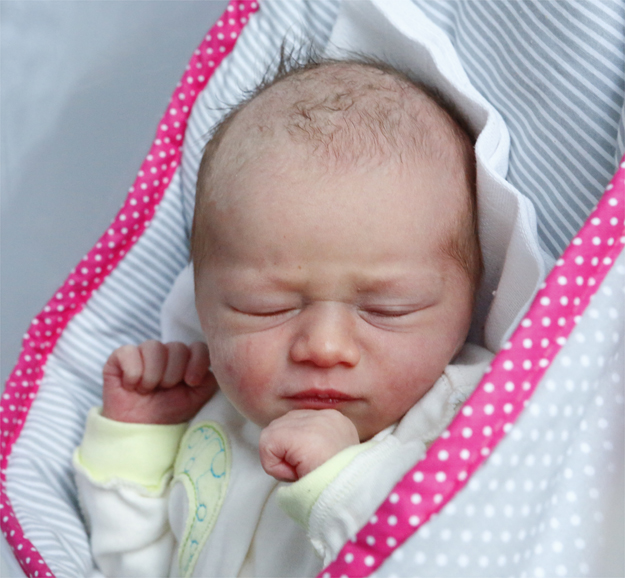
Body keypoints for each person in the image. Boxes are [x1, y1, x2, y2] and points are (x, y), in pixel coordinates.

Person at [73, 56, 493, 578]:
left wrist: (340, 483)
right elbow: (137, 567)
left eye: (388, 309)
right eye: (265, 306)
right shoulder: (218, 417)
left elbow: (481, 559)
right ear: (200, 301)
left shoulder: (467, 419)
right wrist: (137, 442)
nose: (324, 347)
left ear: (469, 301)